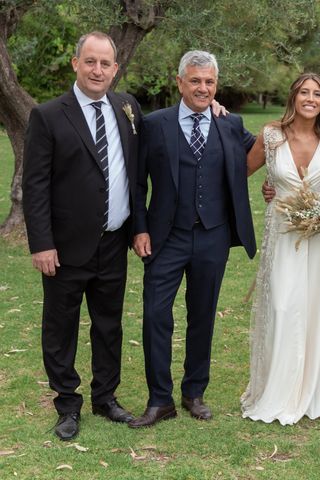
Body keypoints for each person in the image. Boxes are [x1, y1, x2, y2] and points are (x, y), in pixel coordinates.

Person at [22, 31, 141, 440]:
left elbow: (137, 172)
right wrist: (41, 243)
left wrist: (210, 106)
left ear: (115, 68)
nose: (97, 70)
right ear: (76, 64)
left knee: (108, 326)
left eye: (105, 63)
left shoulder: (127, 107)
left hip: (113, 242)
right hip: (64, 247)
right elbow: (34, 184)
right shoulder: (49, 115)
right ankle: (67, 404)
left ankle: (106, 398)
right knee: (61, 328)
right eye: (90, 61)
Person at [129, 50, 256, 428]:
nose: (203, 88)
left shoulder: (230, 124)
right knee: (155, 315)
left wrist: (272, 186)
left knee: (202, 316)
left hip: (213, 236)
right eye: (196, 81)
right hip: (165, 237)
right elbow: (137, 182)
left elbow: (267, 150)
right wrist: (139, 227)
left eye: (210, 82)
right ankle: (159, 399)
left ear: (216, 86)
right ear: (180, 82)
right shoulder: (154, 124)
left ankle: (194, 392)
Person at [240, 73, 320, 425]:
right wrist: (265, 190)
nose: (310, 99)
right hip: (284, 235)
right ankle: (279, 389)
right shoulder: (271, 136)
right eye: (304, 92)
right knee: (283, 306)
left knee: (317, 308)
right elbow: (240, 171)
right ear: (294, 97)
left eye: (317, 93)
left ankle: (314, 390)